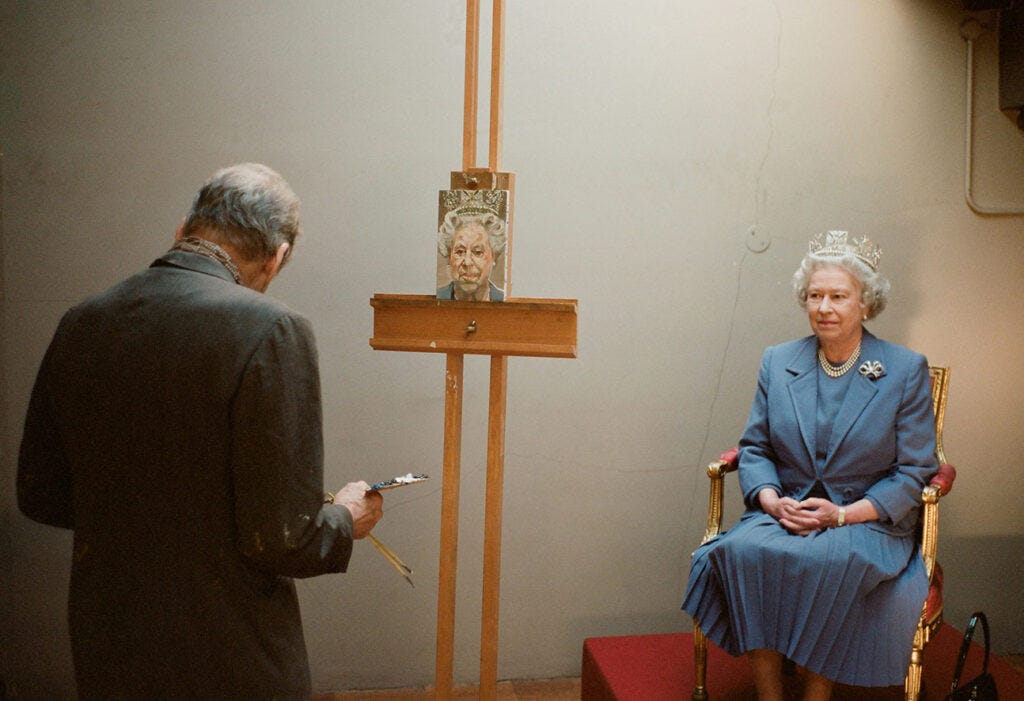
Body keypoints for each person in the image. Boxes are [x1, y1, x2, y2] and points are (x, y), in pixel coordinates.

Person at [17, 163, 385, 699]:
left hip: (109, 640)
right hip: (227, 650)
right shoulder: (272, 329)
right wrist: (345, 518)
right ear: (276, 257)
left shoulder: (82, 321)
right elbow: (286, 541)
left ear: (182, 229)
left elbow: (41, 496)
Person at [682, 231, 938, 700]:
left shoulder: (903, 370)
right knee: (743, 551)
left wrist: (842, 515)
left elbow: (914, 471)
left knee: (830, 561)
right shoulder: (778, 361)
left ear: (866, 303)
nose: (825, 307)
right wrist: (771, 501)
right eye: (815, 295)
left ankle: (816, 696)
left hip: (865, 521)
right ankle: (770, 695)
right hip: (788, 510)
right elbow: (755, 447)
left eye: (839, 296)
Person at [436, 208, 507, 301]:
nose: (467, 262)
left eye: (478, 252)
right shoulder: (437, 299)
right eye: (460, 252)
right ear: (449, 257)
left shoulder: (505, 300)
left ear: (493, 256)